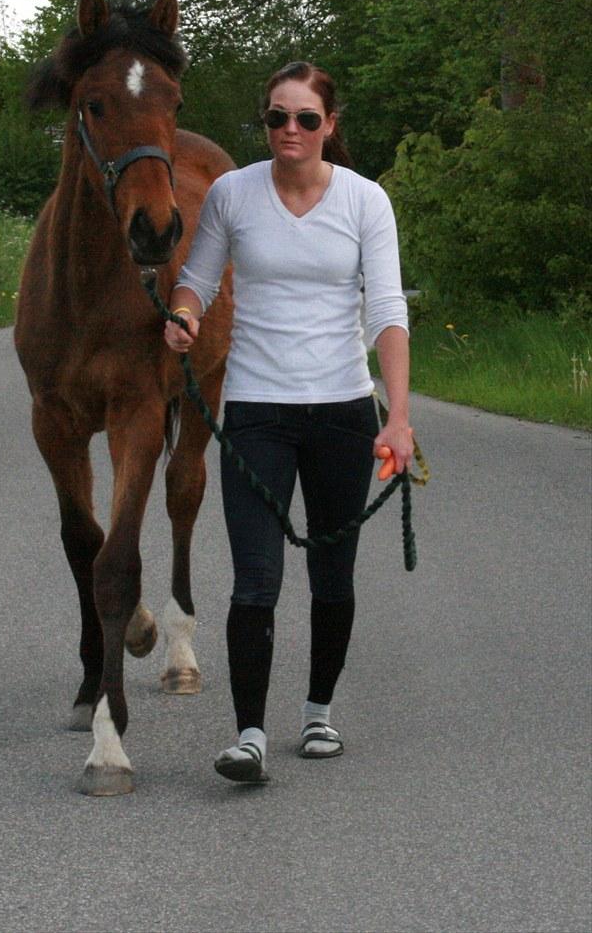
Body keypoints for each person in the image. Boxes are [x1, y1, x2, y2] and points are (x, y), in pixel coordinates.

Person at [164, 61, 413, 784]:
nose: (291, 131)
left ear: (329, 126)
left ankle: (317, 713)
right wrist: (184, 313)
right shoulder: (232, 193)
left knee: (332, 575)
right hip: (255, 413)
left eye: (306, 118)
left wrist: (396, 416)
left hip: (340, 409)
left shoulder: (366, 202)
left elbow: (387, 312)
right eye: (278, 118)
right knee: (255, 579)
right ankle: (248, 734)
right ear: (265, 122)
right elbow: (199, 280)